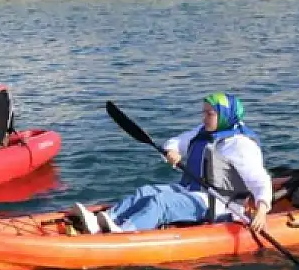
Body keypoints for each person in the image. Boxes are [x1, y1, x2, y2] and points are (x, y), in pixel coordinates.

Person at [73, 92, 272, 235]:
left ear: (225, 115)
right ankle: (105, 221)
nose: (204, 117)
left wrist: (262, 210)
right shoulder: (204, 131)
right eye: (204, 112)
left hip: (219, 203)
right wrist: (173, 151)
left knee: (161, 204)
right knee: (146, 191)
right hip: (190, 190)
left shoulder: (241, 144)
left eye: (210, 114)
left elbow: (260, 180)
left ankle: (124, 233)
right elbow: (176, 142)